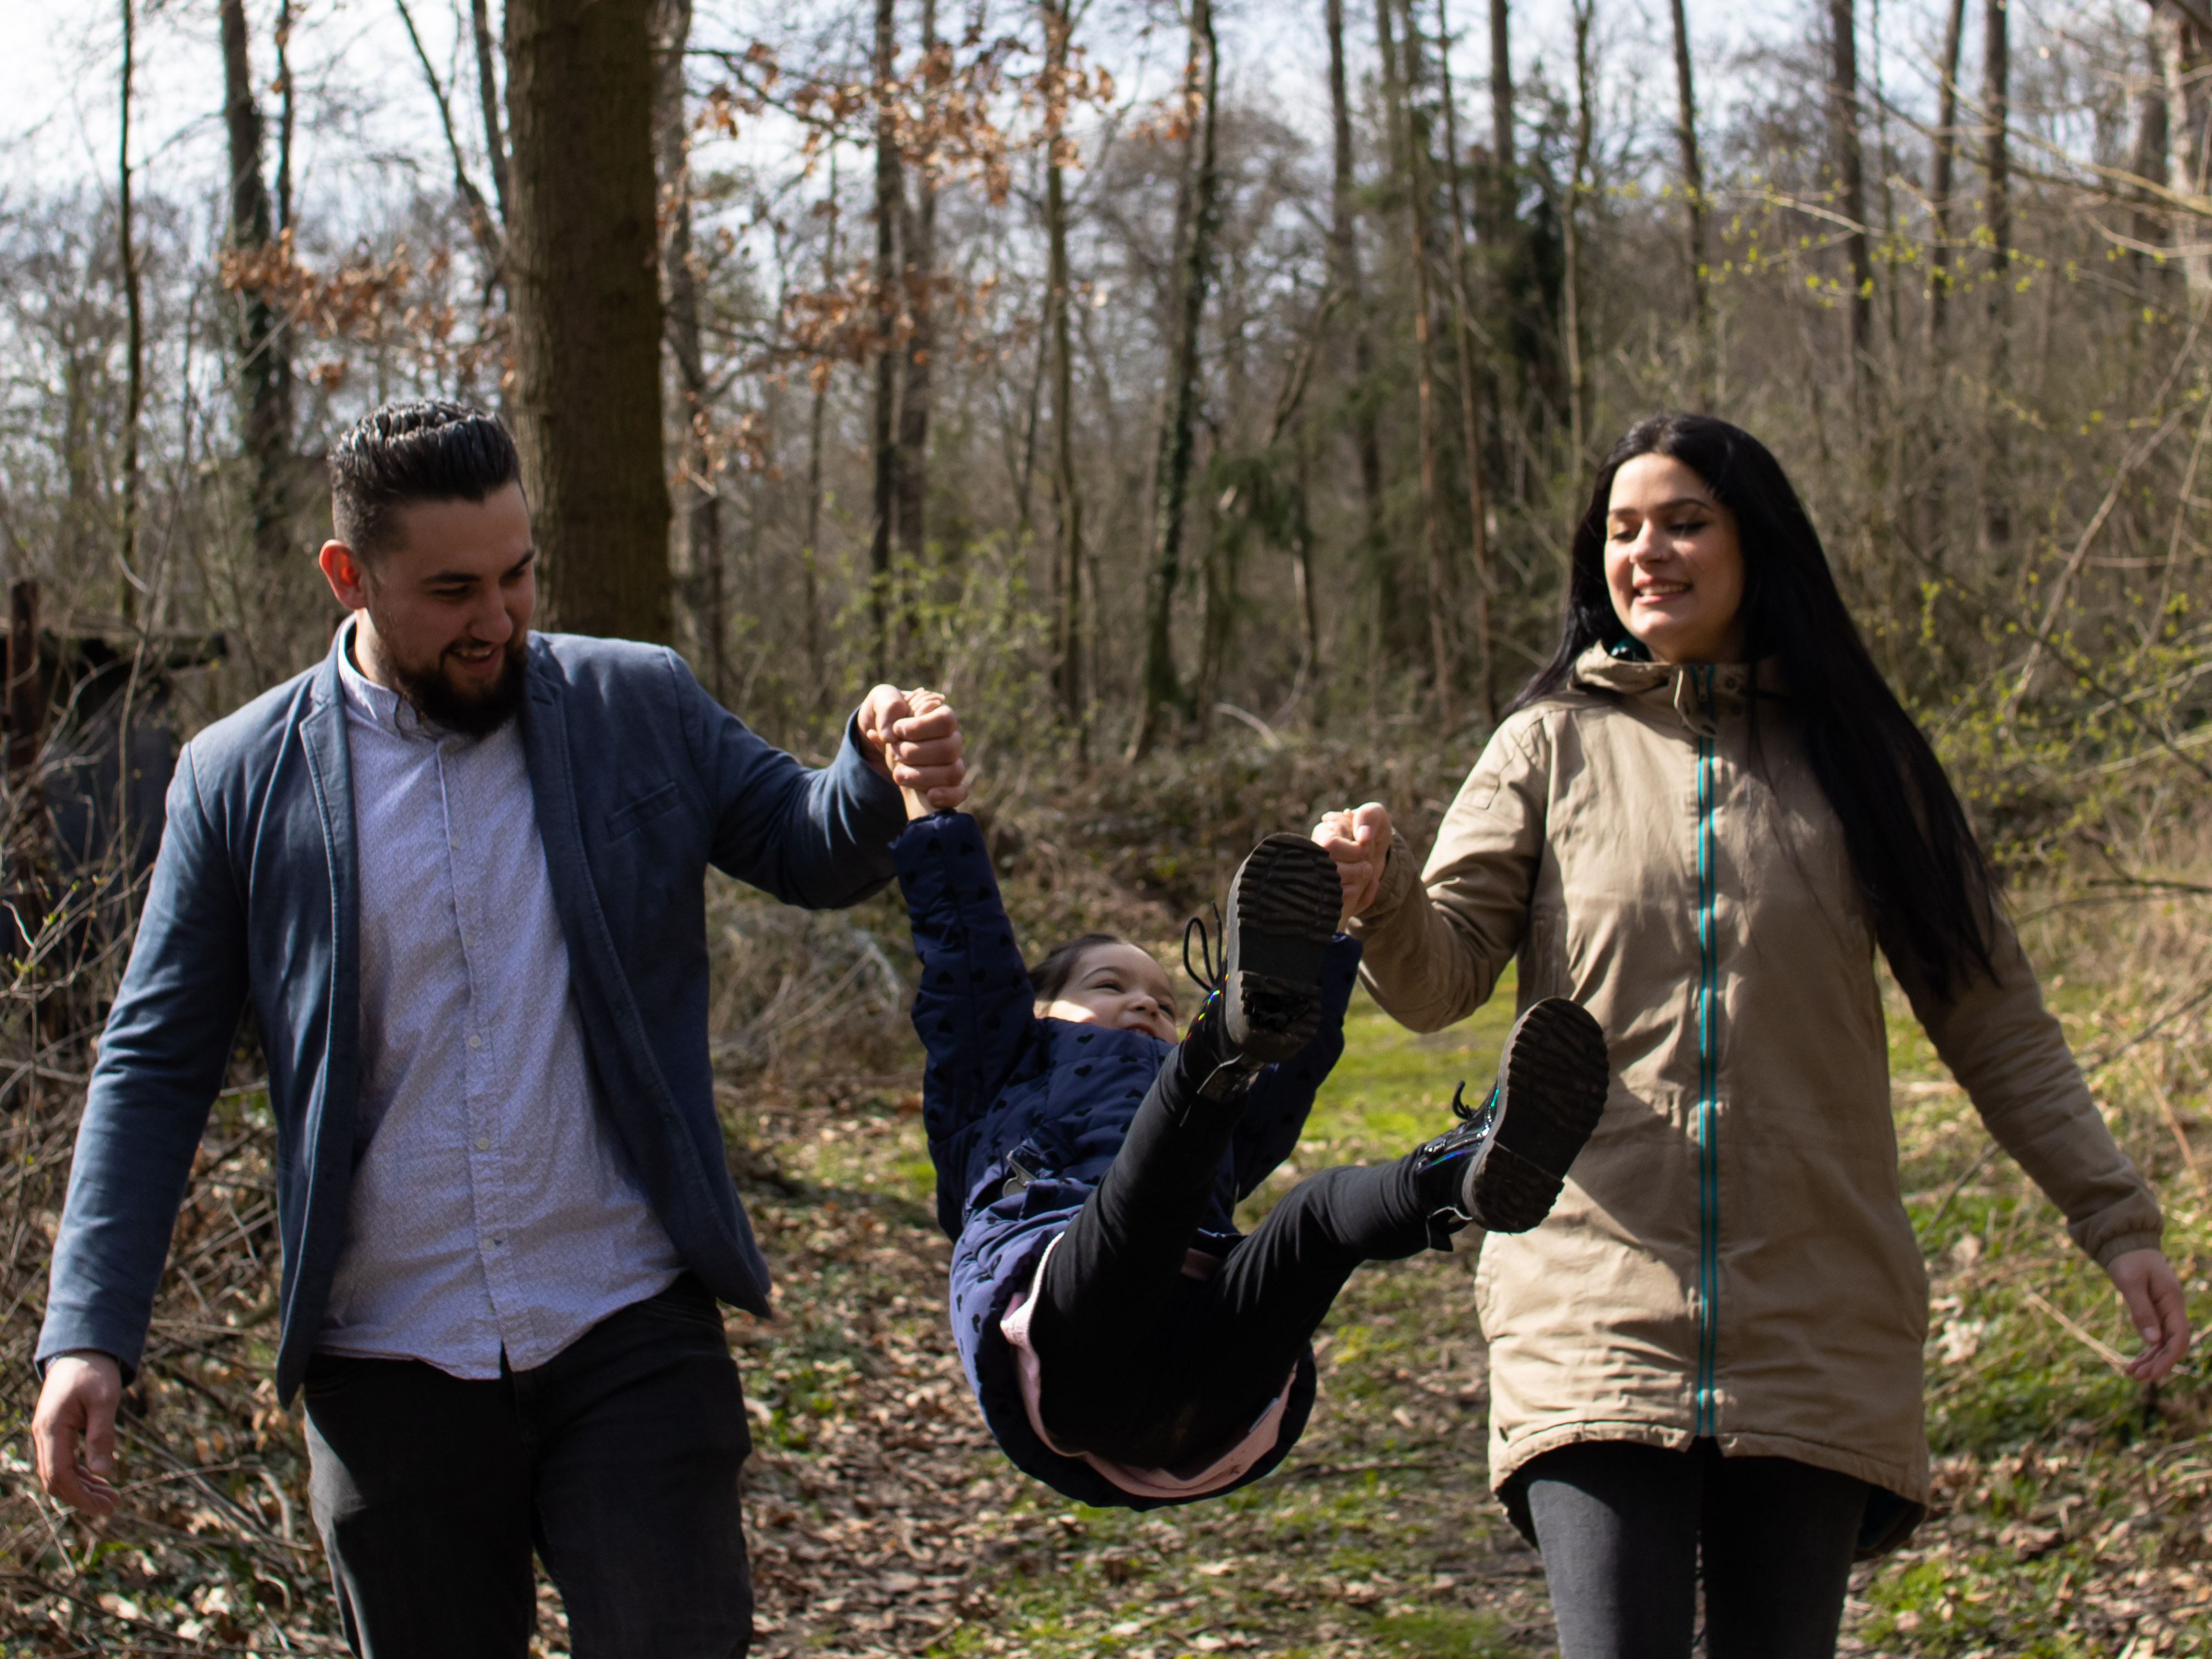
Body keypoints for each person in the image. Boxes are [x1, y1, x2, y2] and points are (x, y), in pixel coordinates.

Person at [29, 400, 969, 1659]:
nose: (499, 618)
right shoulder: (236, 778)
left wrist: (867, 765)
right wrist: (90, 1331)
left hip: (628, 1324)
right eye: (453, 589)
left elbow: (805, 845)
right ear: (347, 576)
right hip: (385, 1370)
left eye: (519, 574)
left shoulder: (636, 700)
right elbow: (153, 1064)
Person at [1313, 412, 2194, 1659]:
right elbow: (1438, 977)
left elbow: (1996, 1022)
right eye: (1621, 530)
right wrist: (1381, 890)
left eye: (1683, 521)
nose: (1646, 551)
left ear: (1754, 546)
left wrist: (2113, 1219)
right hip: (1589, 1297)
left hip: (1816, 1309)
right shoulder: (1547, 744)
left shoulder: (1862, 763)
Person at [890, 763, 1609, 1508]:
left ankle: (1471, 1170)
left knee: (1319, 1211)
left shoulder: (1213, 1122)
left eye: (1163, 1001)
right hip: (1067, 1326)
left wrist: (1328, 928)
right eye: (1109, 986)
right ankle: (1231, 1031)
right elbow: (965, 954)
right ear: (1036, 1009)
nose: (1143, 1002)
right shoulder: (1002, 1065)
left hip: (1205, 1389)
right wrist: (930, 815)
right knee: (1154, 1183)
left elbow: (1292, 1069)